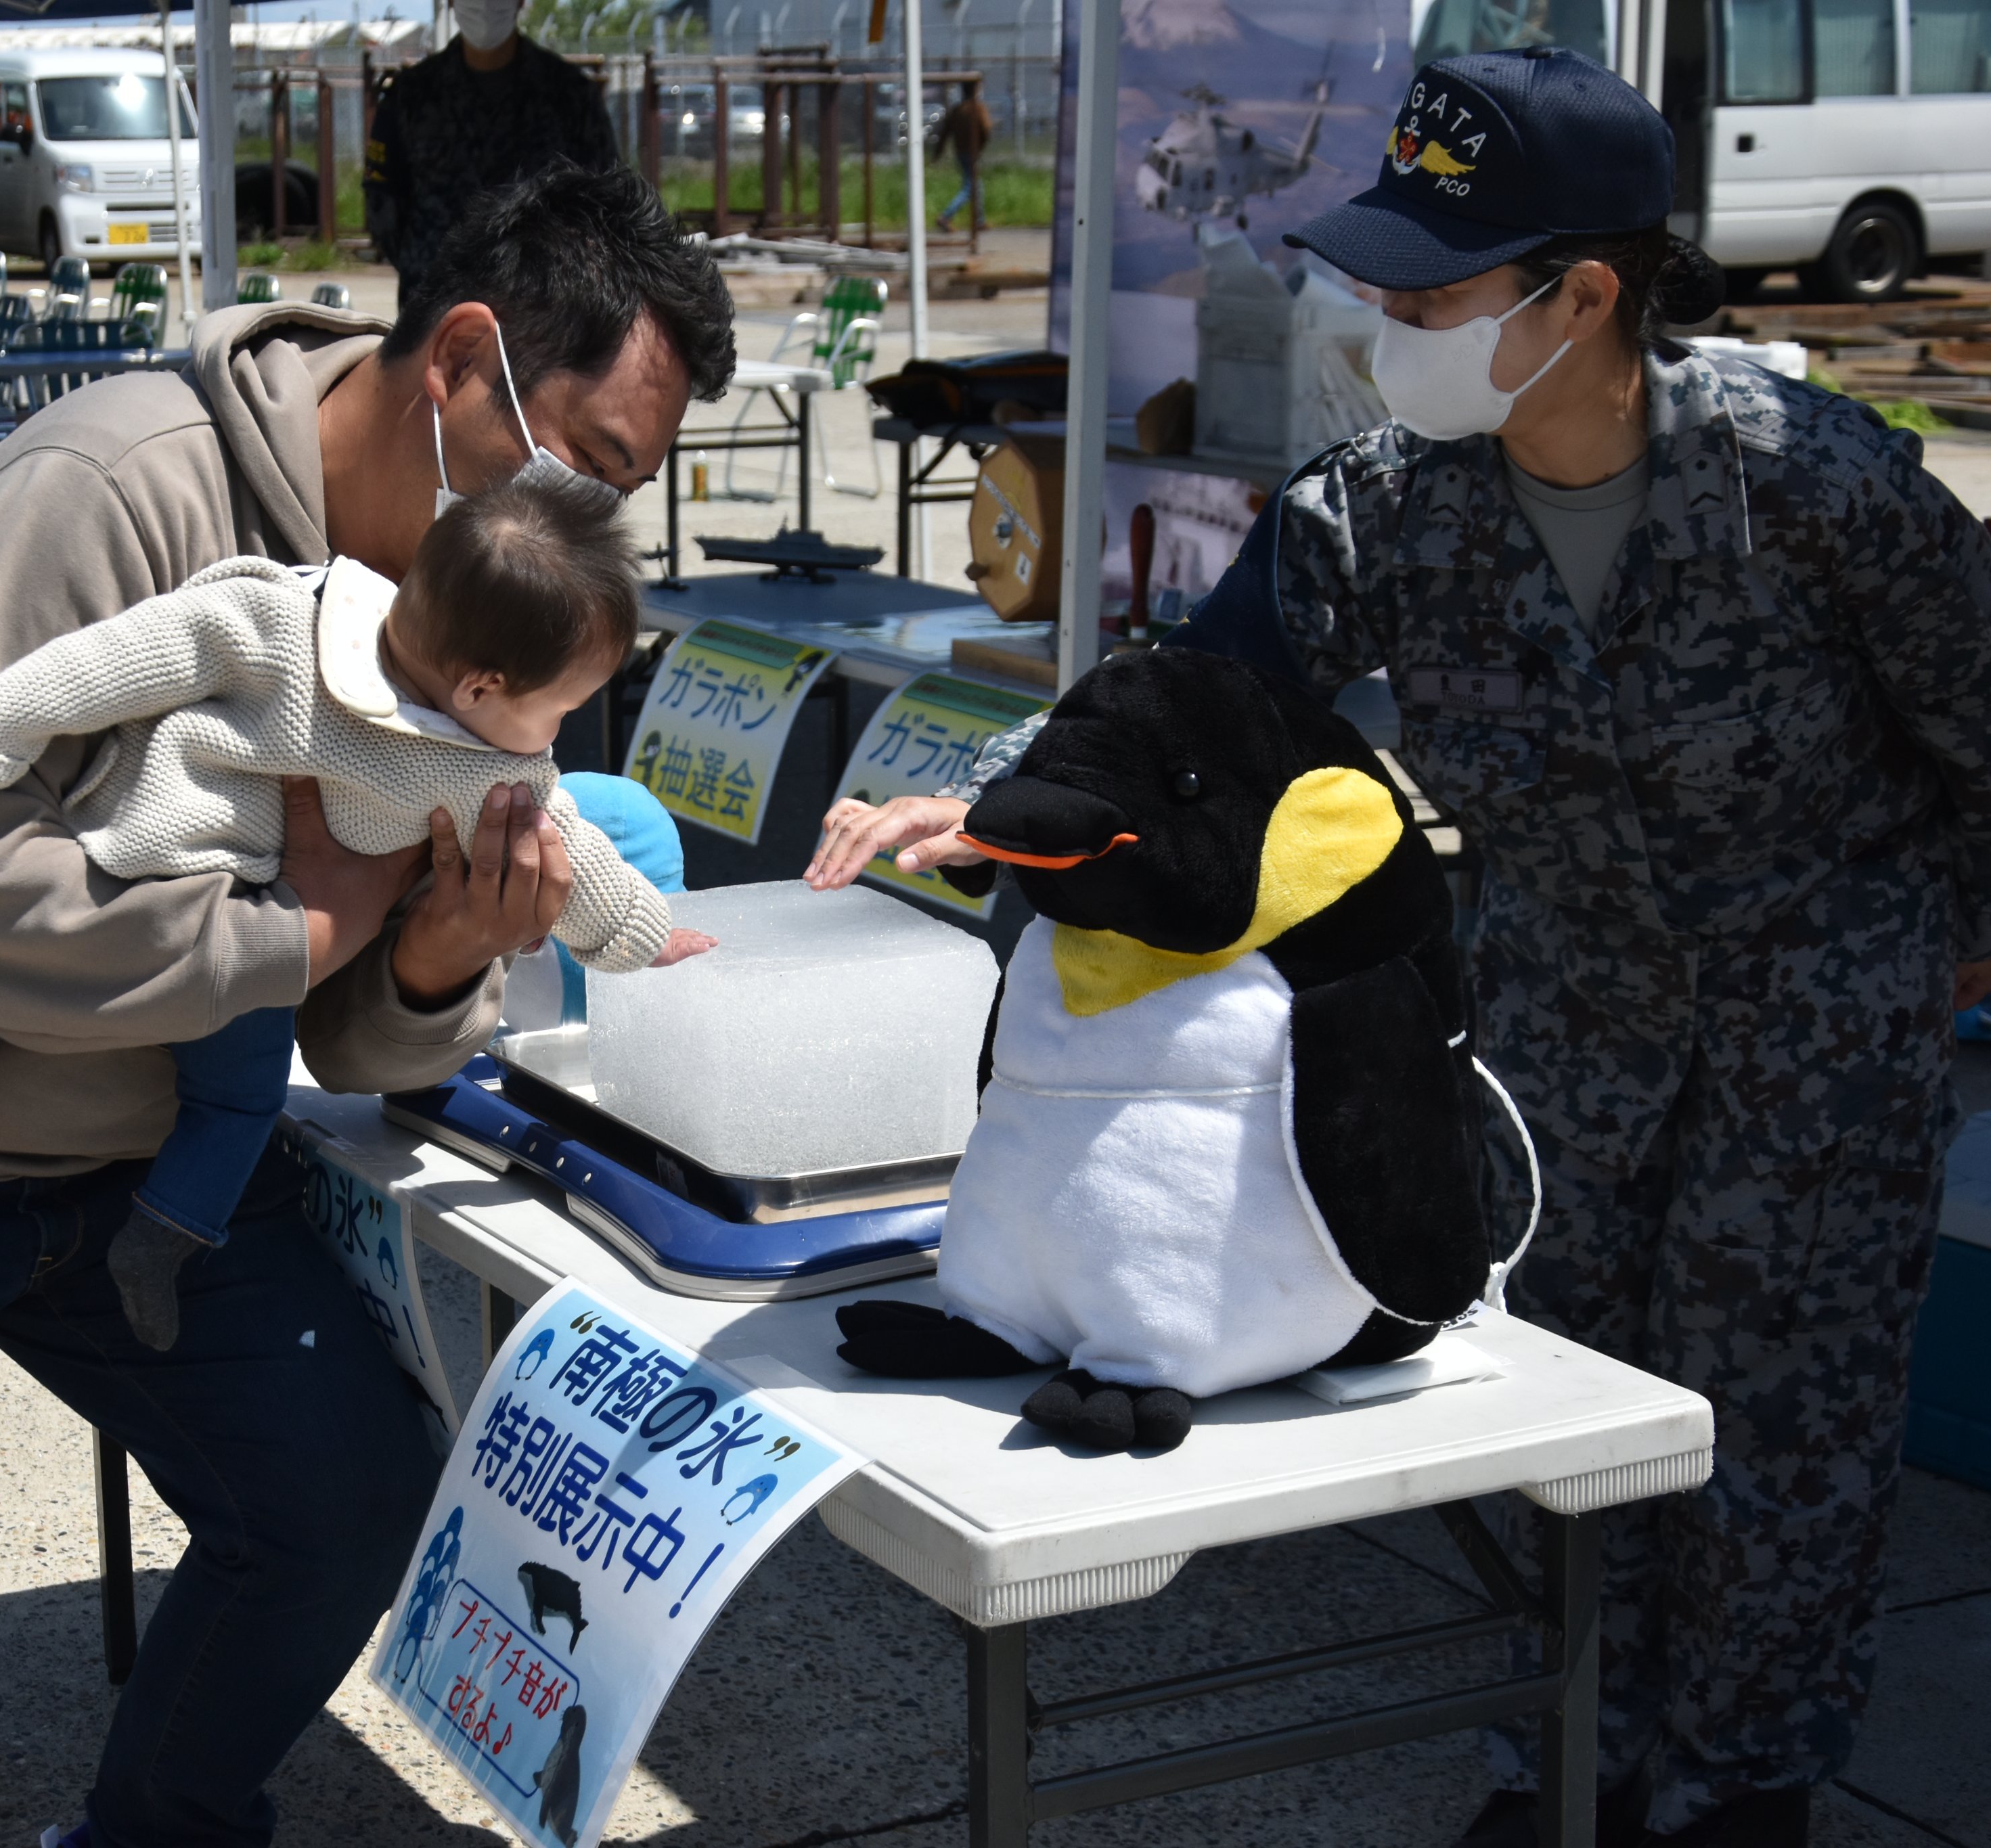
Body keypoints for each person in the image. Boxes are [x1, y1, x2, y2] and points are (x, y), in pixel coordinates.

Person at [815, 47, 1991, 1848]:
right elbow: (1183, 705)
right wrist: (988, 805)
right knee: (1564, 1446)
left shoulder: (1806, 482)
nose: (1378, 320)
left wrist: (1944, 967)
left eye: (1428, 290)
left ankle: (1742, 1796)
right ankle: (1568, 1765)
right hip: (1563, 1054)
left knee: (1786, 1463)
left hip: (1823, 1065)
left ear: (1583, 295)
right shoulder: (1385, 511)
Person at [0, 160, 733, 1848]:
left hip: (137, 1157)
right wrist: (302, 935)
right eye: (588, 464)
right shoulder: (109, 490)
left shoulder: (489, 628)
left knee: (347, 1504)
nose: (593, 526)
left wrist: (428, 959)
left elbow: (351, 1025)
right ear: (462, 363)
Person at [0, 482, 712, 1349]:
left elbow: (581, 858)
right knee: (214, 1092)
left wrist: (639, 927)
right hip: (190, 885)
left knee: (11, 996)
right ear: (480, 687)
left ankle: (89, 1209)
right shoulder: (302, 631)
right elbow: (129, 657)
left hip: (216, 907)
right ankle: (133, 1219)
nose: (556, 736)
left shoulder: (435, 721)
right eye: (559, 708)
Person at [363, 0, 620, 296]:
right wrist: (426, 262)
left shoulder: (572, 98)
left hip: (542, 309)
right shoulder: (409, 96)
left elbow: (605, 203)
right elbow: (384, 205)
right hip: (434, 306)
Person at [931, 92, 995, 235]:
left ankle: (980, 220)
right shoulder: (977, 109)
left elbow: (945, 132)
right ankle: (946, 216)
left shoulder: (958, 110)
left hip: (960, 152)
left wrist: (937, 153)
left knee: (977, 185)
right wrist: (982, 145)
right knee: (970, 187)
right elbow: (986, 128)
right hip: (972, 153)